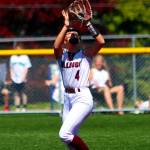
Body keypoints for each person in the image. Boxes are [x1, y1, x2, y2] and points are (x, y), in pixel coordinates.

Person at [54, 10, 105, 150]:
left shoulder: (85, 53)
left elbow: (101, 41)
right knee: (69, 140)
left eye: (76, 33)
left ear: (80, 39)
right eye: (70, 34)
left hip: (82, 97)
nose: (73, 34)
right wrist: (65, 26)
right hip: (67, 98)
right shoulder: (61, 55)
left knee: (64, 134)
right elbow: (55, 46)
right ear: (65, 39)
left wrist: (88, 24)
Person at [10, 43, 32, 112]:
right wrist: (11, 76)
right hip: (15, 78)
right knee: (16, 93)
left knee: (23, 93)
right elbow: (11, 68)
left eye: (19, 48)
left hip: (23, 78)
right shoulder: (12, 57)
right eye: (17, 48)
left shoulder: (25, 57)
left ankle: (25, 108)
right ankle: (17, 108)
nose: (18, 50)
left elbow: (27, 68)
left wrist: (24, 77)